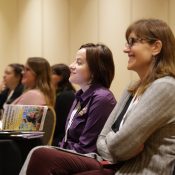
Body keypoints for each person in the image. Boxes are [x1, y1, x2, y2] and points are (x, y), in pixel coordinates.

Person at [21, 19, 175, 175]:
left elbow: (120, 146)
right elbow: (103, 139)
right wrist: (117, 143)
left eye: (132, 42)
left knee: (36, 153)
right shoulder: (131, 88)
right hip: (116, 164)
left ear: (156, 47)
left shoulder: (165, 87)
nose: (124, 49)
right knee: (39, 153)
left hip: (137, 170)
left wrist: (116, 143)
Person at [19, 42, 117, 175]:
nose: (71, 66)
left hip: (90, 157)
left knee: (39, 153)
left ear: (95, 70)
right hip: (73, 153)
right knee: (35, 150)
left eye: (79, 62)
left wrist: (55, 150)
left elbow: (87, 147)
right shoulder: (79, 95)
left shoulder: (102, 98)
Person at [51, 63, 76, 146]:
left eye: (51, 74)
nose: (48, 77)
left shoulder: (66, 95)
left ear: (60, 77)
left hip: (61, 140)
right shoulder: (56, 93)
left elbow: (60, 124)